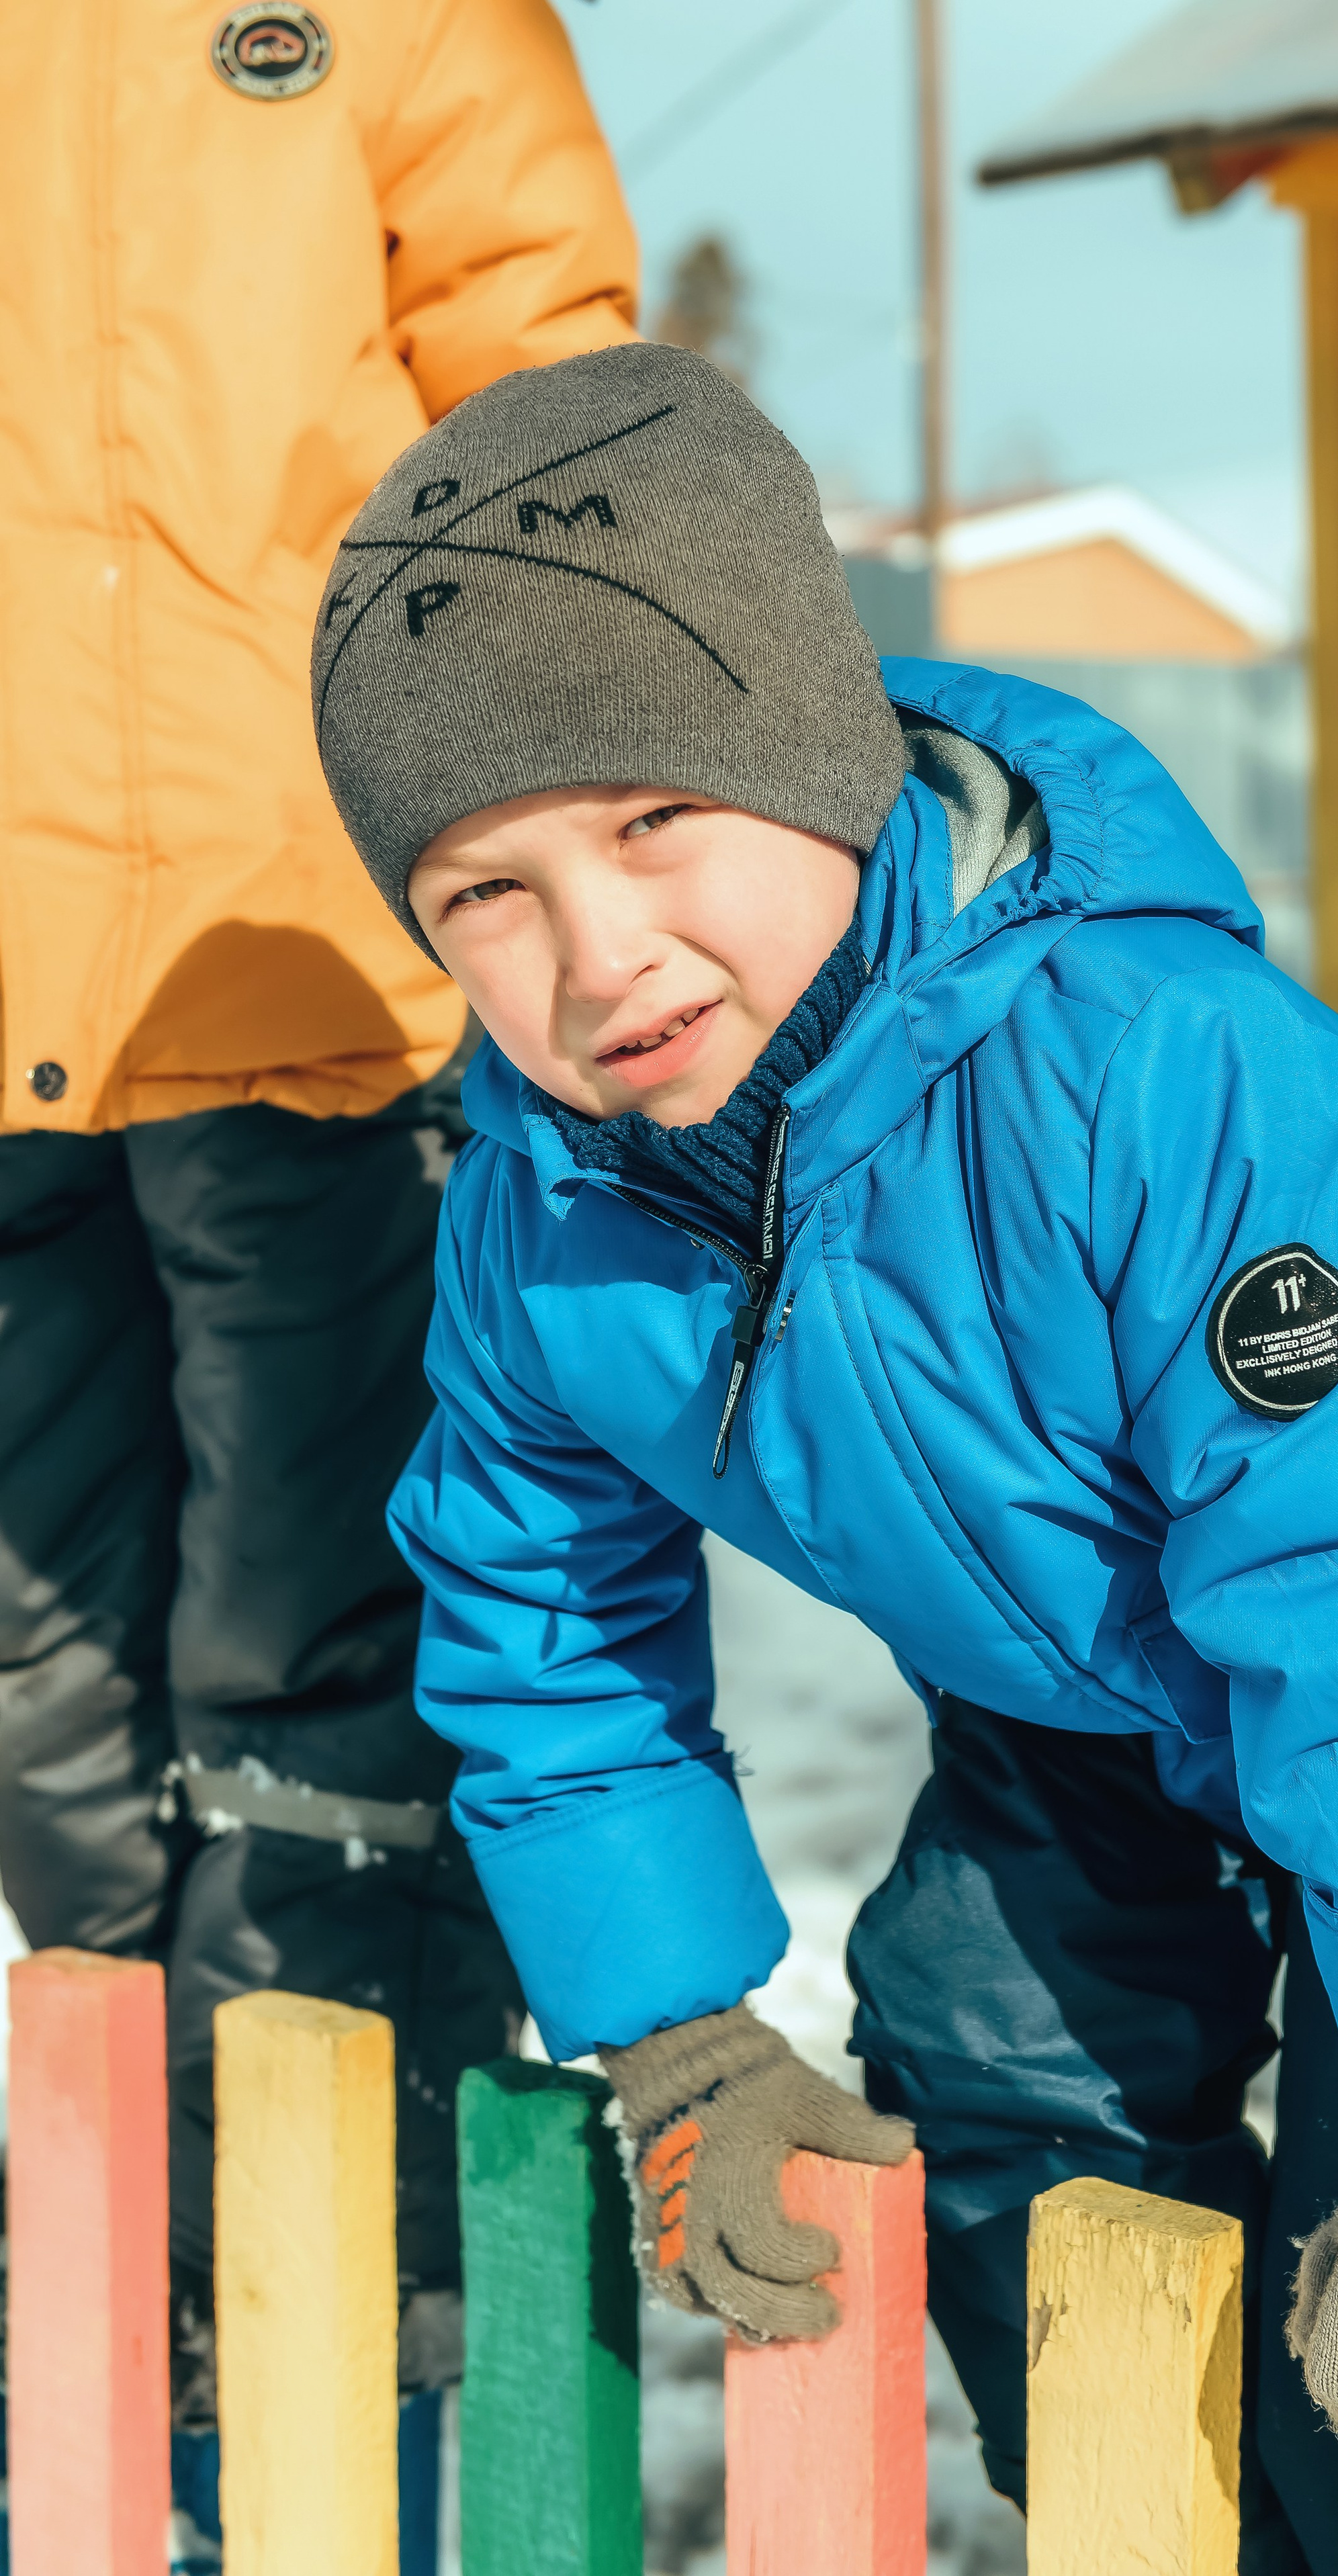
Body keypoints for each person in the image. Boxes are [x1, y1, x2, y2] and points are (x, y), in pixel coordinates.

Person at [311, 343, 1338, 2576]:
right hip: (1092, 1664)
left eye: (653, 818)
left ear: (812, 748)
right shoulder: (542, 1217)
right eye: (485, 889)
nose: (597, 951)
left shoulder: (1151, 1067)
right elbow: (542, 1626)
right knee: (994, 2062)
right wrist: (681, 2033)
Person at [0, 0, 635, 2444]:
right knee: (45, 1686)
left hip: (312, 964)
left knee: (317, 1643)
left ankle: (338, 2284)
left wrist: (561, 853)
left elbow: (549, 409)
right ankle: (140, 2275)